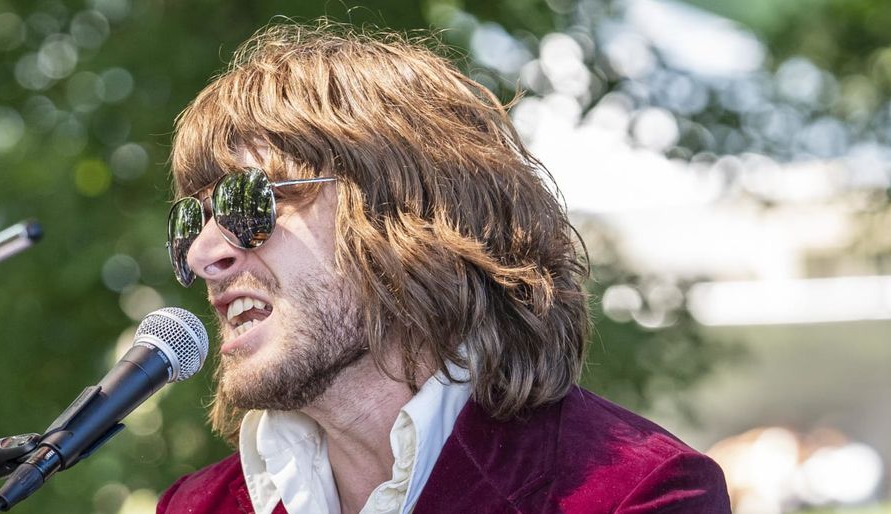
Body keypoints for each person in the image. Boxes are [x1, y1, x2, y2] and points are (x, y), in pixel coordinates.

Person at [157, 21, 730, 514]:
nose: (203, 253)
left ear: (407, 212)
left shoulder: (634, 493)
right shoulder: (192, 505)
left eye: (248, 203)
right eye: (191, 221)